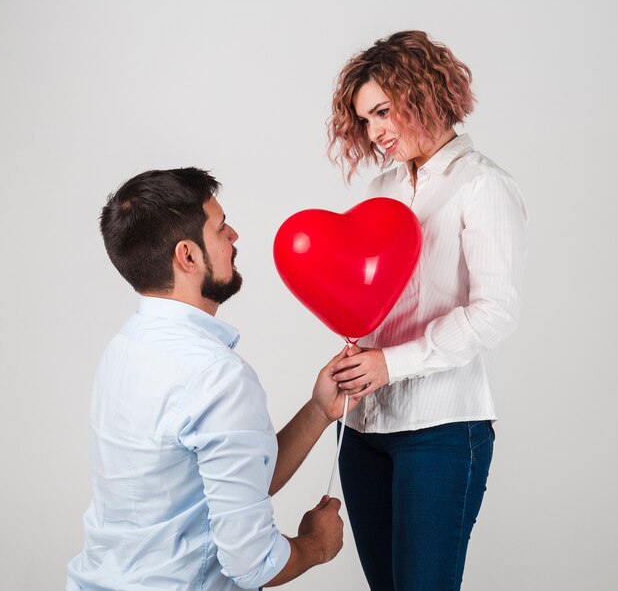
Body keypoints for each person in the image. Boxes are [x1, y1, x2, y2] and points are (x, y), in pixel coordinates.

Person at [66, 167, 359, 590]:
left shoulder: (124, 349)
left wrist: (317, 411)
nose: (234, 236)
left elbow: (224, 490)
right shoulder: (217, 376)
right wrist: (316, 544)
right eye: (220, 229)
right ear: (188, 256)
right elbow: (254, 564)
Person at [326, 31, 528, 590]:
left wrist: (392, 363)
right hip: (362, 425)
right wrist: (356, 349)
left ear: (426, 91)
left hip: (441, 429)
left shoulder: (483, 185)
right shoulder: (380, 189)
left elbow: (496, 311)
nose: (376, 132)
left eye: (384, 112)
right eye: (366, 120)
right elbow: (365, 292)